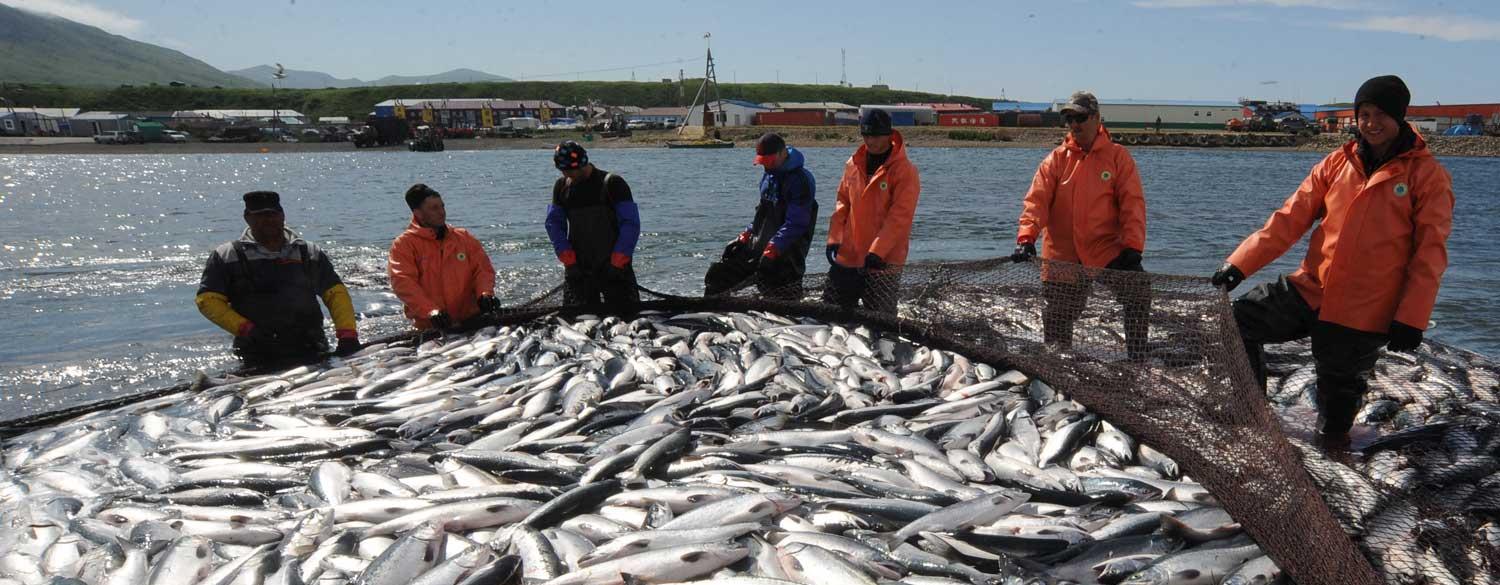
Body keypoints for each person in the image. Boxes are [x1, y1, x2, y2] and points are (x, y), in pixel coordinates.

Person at [1210, 75, 1453, 438]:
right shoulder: (1336, 164)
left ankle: (1335, 454)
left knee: (1335, 416)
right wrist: (1239, 264)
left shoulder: (1427, 176)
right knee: (1237, 322)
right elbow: (1288, 219)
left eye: (1380, 115)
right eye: (1364, 114)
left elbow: (1430, 254)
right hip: (1310, 289)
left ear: (1399, 117)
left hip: (1362, 310)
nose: (1370, 123)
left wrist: (1412, 318)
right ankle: (1253, 417)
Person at [1012, 91, 1150, 361]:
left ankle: (1138, 359)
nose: (1075, 124)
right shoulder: (1055, 160)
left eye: (1081, 117)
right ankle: (1057, 366)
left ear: (1097, 118)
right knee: (1058, 317)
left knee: (1138, 293)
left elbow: (1132, 204)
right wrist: (1026, 238)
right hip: (1061, 254)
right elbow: (1035, 203)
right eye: (1069, 119)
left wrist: (1133, 246)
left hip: (1106, 250)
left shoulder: (1118, 157)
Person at [195, 191, 360, 366]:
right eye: (260, 215)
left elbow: (335, 294)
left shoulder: (309, 253)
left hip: (312, 345)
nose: (268, 220)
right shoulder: (227, 255)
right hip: (255, 350)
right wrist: (246, 329)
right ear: (247, 218)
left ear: (282, 215)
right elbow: (207, 300)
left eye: (272, 214)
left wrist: (347, 334)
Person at [823, 109, 921, 314]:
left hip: (884, 261)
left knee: (880, 321)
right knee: (830, 313)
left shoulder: (905, 171)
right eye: (866, 135)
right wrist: (834, 238)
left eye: (875, 136)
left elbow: (900, 217)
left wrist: (878, 250)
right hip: (849, 255)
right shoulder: (852, 164)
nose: (870, 141)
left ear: (888, 134)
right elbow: (842, 202)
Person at [706, 133, 817, 299]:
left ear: (782, 153)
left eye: (769, 161)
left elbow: (797, 223)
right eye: (763, 162)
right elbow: (761, 213)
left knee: (779, 294)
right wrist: (745, 235)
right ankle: (710, 308)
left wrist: (773, 248)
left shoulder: (800, 180)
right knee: (719, 274)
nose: (766, 166)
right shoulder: (768, 176)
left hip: (788, 249)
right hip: (762, 244)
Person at [387, 183, 499, 332]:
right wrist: (430, 311)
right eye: (434, 208)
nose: (442, 212)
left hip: (473, 320)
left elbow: (483, 270)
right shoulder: (403, 245)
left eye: (442, 206)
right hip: (431, 326)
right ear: (418, 213)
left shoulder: (463, 237)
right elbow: (403, 282)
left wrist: (485, 294)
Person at [546, 141, 641, 312]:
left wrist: (617, 263)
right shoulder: (562, 187)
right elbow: (555, 226)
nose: (567, 175)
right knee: (576, 322)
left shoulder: (612, 183)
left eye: (569, 170)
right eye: (563, 171)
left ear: (582, 164)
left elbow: (630, 226)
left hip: (615, 269)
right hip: (579, 269)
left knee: (628, 319)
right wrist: (570, 262)